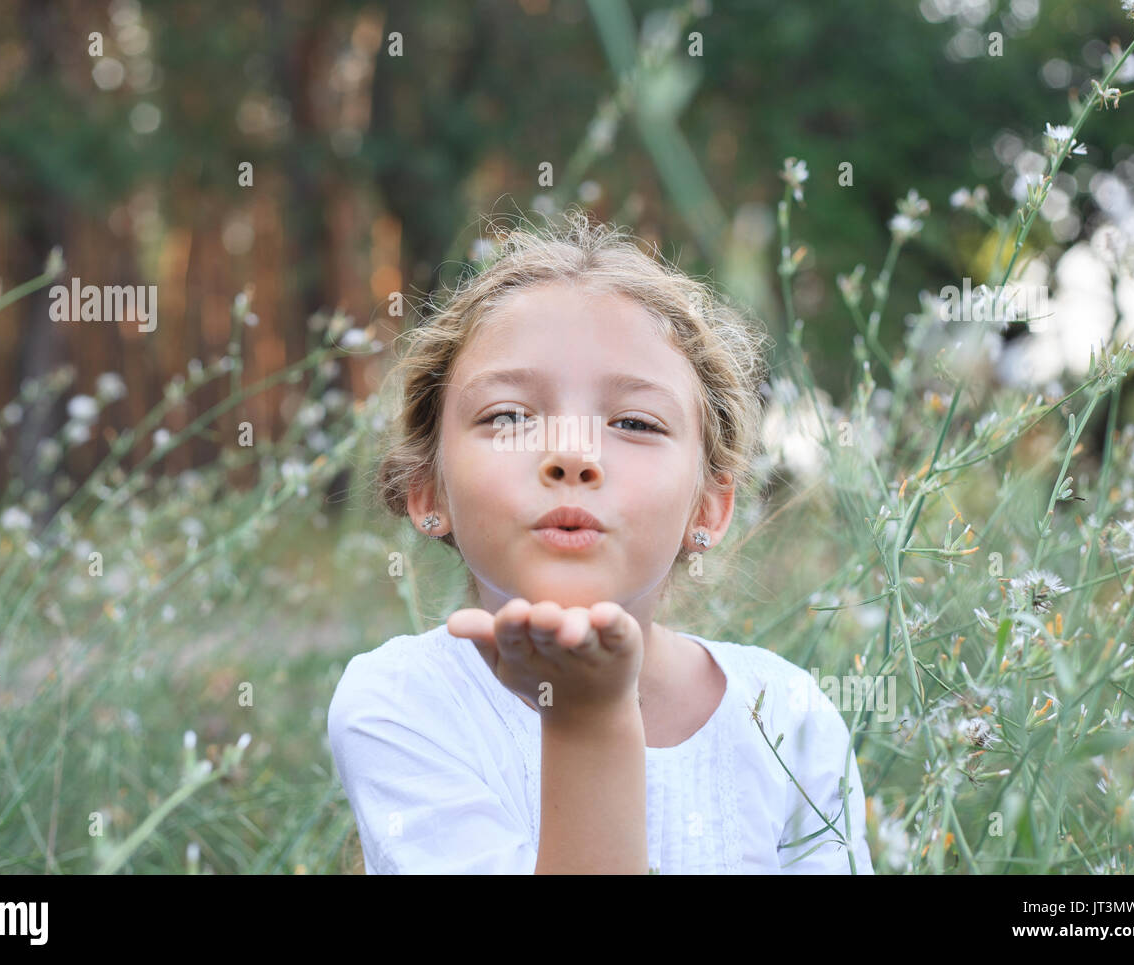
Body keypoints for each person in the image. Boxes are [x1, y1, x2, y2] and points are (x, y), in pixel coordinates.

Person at [326, 210, 874, 874]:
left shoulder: (790, 717)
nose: (573, 455)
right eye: (507, 415)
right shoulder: (399, 702)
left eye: (635, 422)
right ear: (427, 490)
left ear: (710, 504)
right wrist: (588, 721)